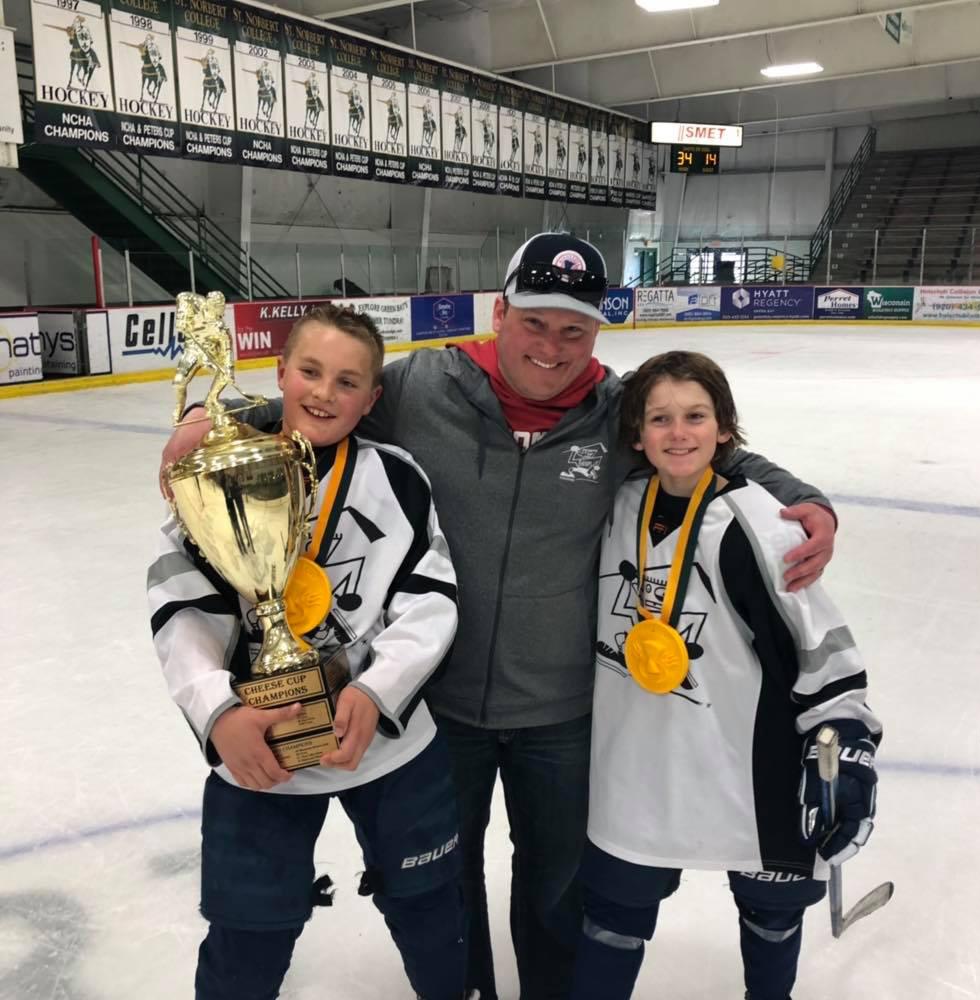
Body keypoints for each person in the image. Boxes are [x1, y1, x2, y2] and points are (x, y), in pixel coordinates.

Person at [161, 234, 838, 1000]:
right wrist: (206, 418)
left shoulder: (617, 413)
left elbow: (704, 448)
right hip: (439, 703)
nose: (553, 347)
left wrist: (799, 494)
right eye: (536, 322)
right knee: (447, 881)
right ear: (500, 311)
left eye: (574, 330)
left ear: (598, 332)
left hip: (563, 711)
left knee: (557, 887)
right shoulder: (420, 386)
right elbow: (323, 397)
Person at [149, 305, 468, 1000]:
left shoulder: (399, 478)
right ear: (281, 373)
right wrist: (219, 711)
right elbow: (182, 608)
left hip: (389, 746)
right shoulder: (214, 471)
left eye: (348, 382)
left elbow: (430, 599)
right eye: (312, 372)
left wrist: (376, 690)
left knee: (430, 909)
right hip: (258, 751)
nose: (325, 393)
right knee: (248, 933)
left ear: (372, 398)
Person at [570, 351, 881, 1000]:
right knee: (611, 916)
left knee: (770, 916)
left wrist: (845, 748)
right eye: (660, 418)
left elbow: (823, 654)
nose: (678, 433)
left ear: (724, 429)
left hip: (745, 767)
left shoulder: (757, 522)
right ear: (636, 434)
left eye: (694, 416)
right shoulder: (613, 511)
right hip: (635, 768)